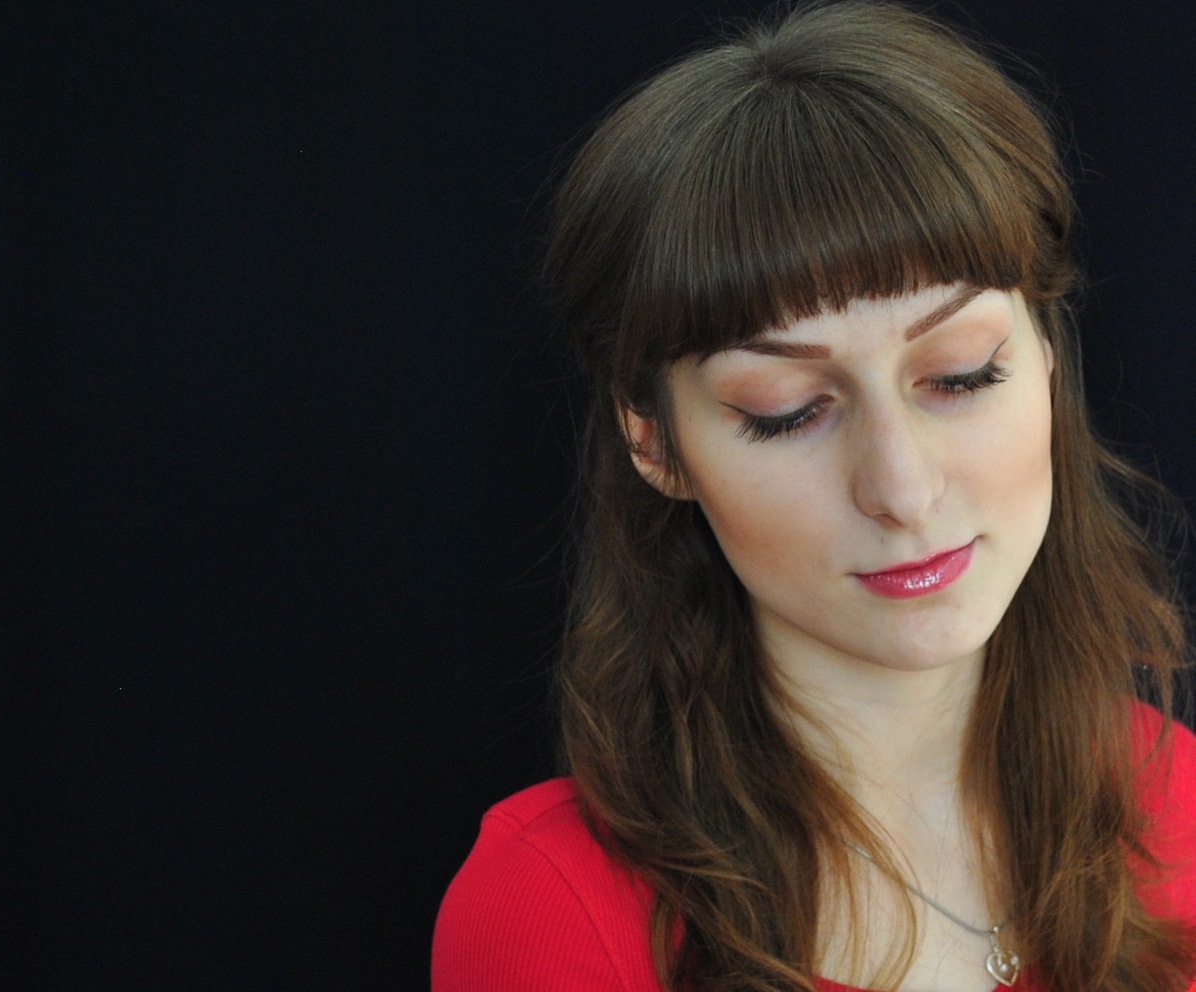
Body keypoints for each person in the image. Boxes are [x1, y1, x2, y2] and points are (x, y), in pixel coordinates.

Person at [432, 2, 1196, 990]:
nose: (901, 487)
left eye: (960, 375)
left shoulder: (1172, 795)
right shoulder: (553, 910)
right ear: (654, 442)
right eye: (787, 412)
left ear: (1046, 360)